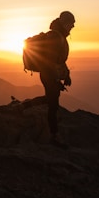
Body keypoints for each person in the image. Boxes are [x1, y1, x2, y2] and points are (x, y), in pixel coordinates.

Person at [39, 11, 75, 148]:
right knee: (53, 104)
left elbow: (59, 60)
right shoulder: (55, 36)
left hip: (49, 74)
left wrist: (66, 76)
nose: (72, 26)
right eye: (71, 23)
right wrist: (55, 79)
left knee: (51, 99)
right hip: (48, 74)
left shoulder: (58, 35)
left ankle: (23, 106)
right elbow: (50, 60)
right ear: (64, 22)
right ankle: (54, 137)